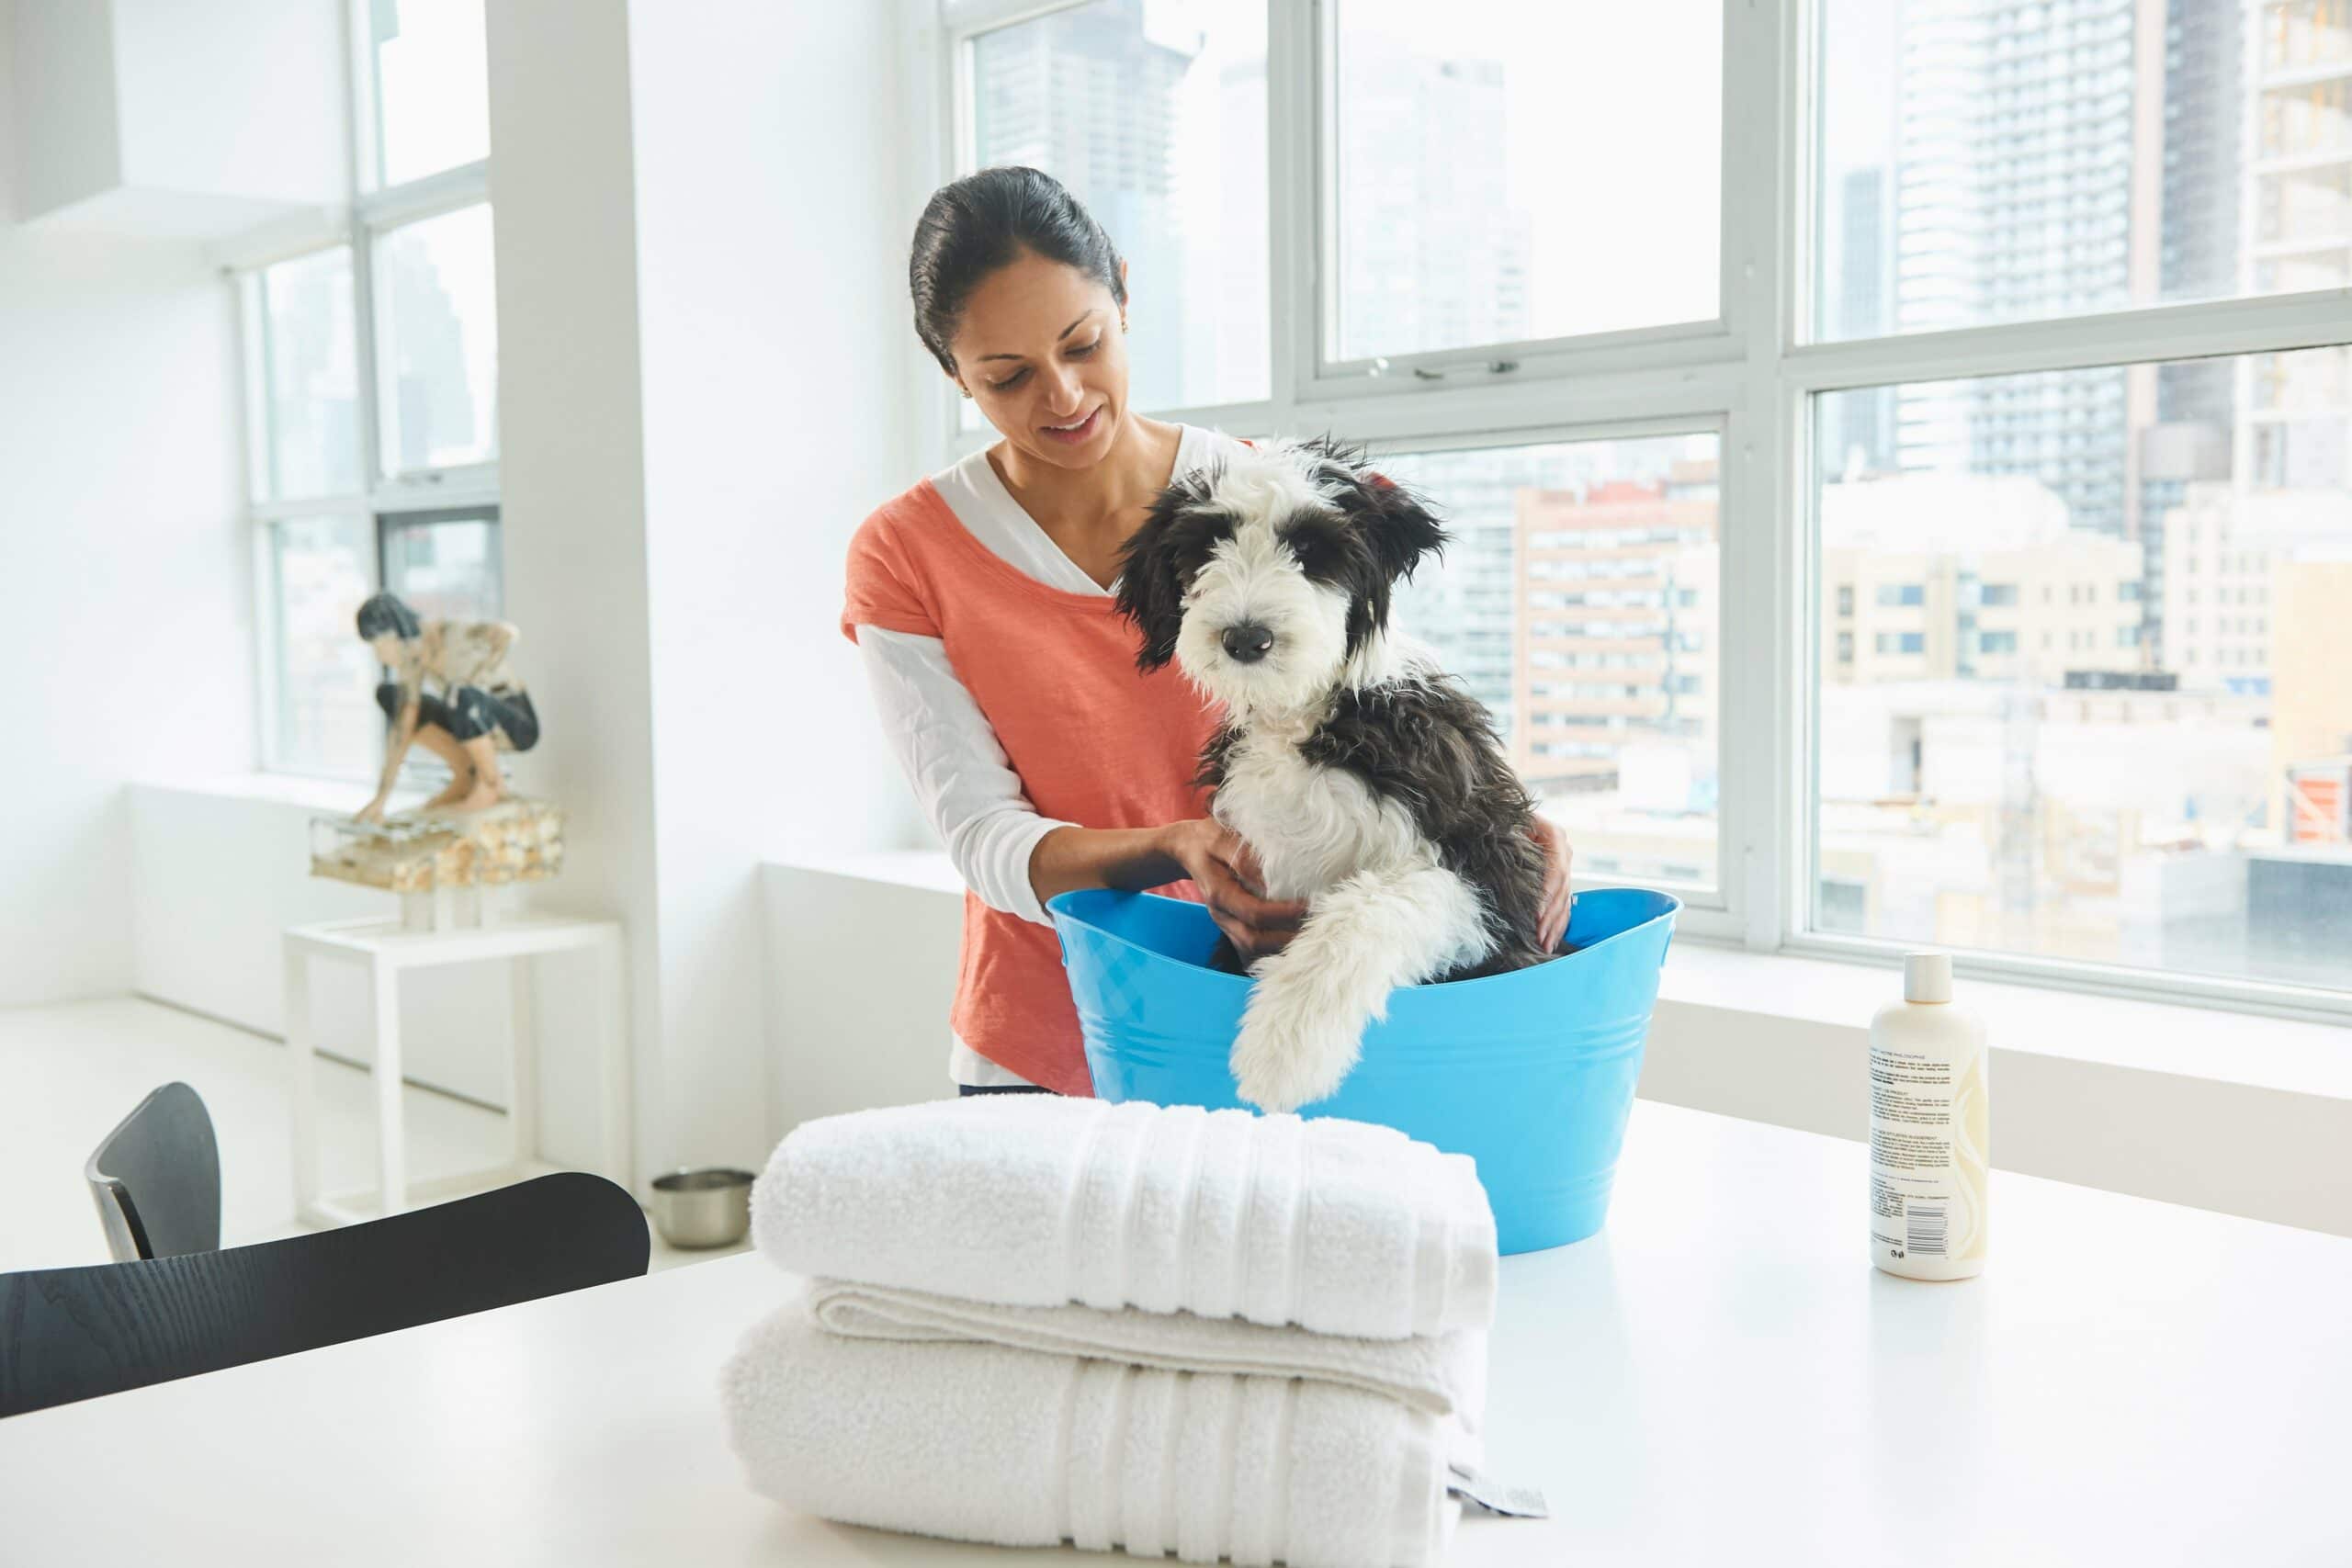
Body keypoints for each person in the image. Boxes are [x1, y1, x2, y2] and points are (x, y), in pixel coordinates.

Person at [842, 165, 1571, 1099]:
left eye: (1083, 344)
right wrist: (1176, 846)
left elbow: (1376, 673)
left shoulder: (1268, 488)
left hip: (1288, 1010)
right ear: (953, 372)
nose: (1061, 396)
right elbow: (983, 838)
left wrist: (1506, 816)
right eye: (1007, 376)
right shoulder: (908, 552)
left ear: (1124, 297)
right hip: (1051, 1037)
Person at [352, 592, 539, 824]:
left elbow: (506, 634)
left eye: (379, 646)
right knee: (391, 697)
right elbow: (403, 728)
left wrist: (483, 672)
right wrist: (381, 799)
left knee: (459, 693)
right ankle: (466, 774)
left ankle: (492, 785)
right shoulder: (413, 661)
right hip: (467, 715)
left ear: (395, 634)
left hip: (514, 722)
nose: (379, 656)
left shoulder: (451, 634)